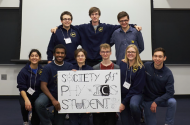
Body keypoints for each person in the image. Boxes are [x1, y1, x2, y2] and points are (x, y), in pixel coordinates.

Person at [51, 7, 142, 66]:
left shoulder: (106, 27)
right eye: (93, 14)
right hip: (87, 61)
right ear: (90, 16)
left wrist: (134, 25)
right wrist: (57, 27)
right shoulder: (84, 27)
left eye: (96, 14)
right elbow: (69, 26)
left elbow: (121, 25)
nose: (95, 16)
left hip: (101, 60)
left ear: (99, 15)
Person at [35, 44, 73, 125]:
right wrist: (53, 100)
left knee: (59, 123)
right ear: (54, 54)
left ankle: (53, 117)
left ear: (65, 55)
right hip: (49, 94)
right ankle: (47, 122)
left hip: (63, 96)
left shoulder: (69, 66)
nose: (60, 55)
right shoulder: (47, 67)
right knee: (39, 103)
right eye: (58, 53)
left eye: (62, 53)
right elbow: (43, 86)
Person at [143, 47, 177, 125]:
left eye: (160, 56)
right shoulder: (146, 66)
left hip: (161, 99)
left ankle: (168, 123)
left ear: (164, 58)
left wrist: (156, 101)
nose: (157, 58)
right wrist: (126, 61)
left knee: (173, 102)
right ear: (152, 57)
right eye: (155, 56)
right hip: (148, 99)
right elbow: (135, 65)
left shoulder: (168, 73)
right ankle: (144, 113)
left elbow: (170, 93)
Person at [93, 43, 120, 125]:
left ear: (111, 53)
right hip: (98, 101)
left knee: (111, 122)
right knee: (97, 122)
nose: (105, 54)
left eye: (107, 52)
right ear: (100, 53)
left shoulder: (116, 68)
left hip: (111, 102)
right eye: (103, 52)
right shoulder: (95, 68)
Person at [119, 44, 146, 125]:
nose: (130, 53)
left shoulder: (140, 68)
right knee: (126, 122)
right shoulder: (122, 64)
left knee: (133, 105)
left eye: (133, 52)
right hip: (124, 94)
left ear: (137, 53)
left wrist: (123, 103)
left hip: (135, 94)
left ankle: (138, 119)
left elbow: (136, 89)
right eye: (128, 52)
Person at [17, 49, 43, 125]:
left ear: (39, 58)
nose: (34, 57)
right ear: (29, 58)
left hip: (38, 95)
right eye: (32, 56)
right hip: (26, 94)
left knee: (36, 122)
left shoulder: (43, 70)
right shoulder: (23, 71)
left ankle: (33, 115)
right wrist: (26, 100)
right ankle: (25, 121)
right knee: (24, 105)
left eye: (36, 56)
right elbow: (21, 87)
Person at [69, 48, 93, 125]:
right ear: (75, 58)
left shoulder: (90, 69)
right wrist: (70, 75)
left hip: (86, 100)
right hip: (73, 100)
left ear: (85, 57)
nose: (80, 57)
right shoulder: (70, 69)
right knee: (73, 121)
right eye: (78, 56)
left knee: (85, 121)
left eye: (82, 55)